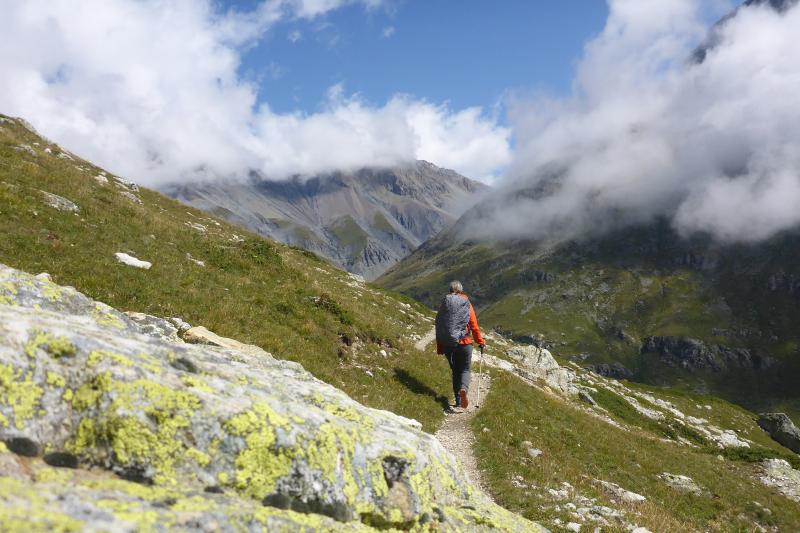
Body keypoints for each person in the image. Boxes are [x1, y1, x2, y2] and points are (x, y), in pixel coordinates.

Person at [435, 280, 485, 412]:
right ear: (461, 291)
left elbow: (440, 327)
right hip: (464, 343)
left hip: (448, 344)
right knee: (465, 370)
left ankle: (458, 401)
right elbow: (473, 325)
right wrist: (480, 341)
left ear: (449, 291)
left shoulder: (444, 305)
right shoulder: (466, 303)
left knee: (455, 371)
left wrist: (440, 347)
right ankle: (464, 389)